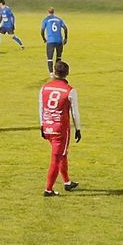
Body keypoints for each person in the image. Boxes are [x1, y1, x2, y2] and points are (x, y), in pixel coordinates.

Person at [40, 60, 82, 197]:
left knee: (62, 154)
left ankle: (67, 182)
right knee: (56, 158)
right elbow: (75, 113)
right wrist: (78, 129)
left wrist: (42, 124)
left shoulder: (44, 88)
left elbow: (41, 107)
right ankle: (48, 189)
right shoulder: (70, 90)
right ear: (67, 73)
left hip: (47, 126)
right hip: (60, 128)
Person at [41, 7, 68, 77]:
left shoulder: (46, 20)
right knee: (58, 57)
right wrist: (65, 38)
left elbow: (42, 30)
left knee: (50, 57)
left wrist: (44, 38)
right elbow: (65, 28)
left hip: (50, 41)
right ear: (53, 12)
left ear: (48, 12)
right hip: (59, 40)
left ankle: (51, 73)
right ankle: (57, 72)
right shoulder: (59, 19)